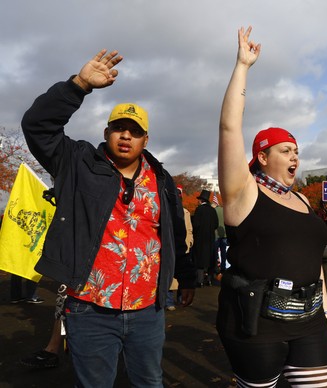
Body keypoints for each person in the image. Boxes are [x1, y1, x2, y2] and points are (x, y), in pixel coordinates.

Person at [21, 49, 196, 387]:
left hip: (148, 309)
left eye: (134, 130)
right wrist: (79, 85)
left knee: (149, 382)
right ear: (107, 133)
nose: (126, 135)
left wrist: (186, 276)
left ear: (146, 139)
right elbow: (37, 126)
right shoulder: (76, 162)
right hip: (90, 308)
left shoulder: (162, 182)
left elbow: (172, 231)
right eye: (119, 128)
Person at [216, 26, 327, 387]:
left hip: (311, 322)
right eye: (286, 150)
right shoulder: (244, 192)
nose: (295, 156)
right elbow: (228, 129)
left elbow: (313, 261)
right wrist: (242, 66)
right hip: (257, 326)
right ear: (262, 156)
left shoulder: (301, 199)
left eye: (297, 151)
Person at [191, 189, 219, 287]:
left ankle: (200, 280)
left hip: (200, 239)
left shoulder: (199, 210)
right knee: (210, 259)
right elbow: (216, 224)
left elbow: (196, 224)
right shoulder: (212, 210)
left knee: (200, 260)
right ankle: (209, 280)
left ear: (201, 200)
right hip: (210, 238)